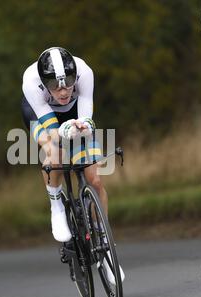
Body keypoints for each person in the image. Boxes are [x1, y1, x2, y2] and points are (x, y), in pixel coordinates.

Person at [21, 47, 124, 284]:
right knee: (55, 153)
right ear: (45, 83)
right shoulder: (31, 82)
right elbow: (52, 130)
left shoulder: (84, 72)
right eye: (56, 86)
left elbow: (86, 114)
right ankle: (56, 205)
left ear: (74, 74)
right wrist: (61, 133)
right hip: (41, 116)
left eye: (68, 82)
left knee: (95, 179)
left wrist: (83, 126)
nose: (63, 90)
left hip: (75, 113)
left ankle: (105, 243)